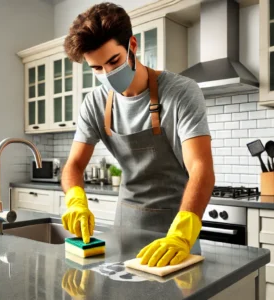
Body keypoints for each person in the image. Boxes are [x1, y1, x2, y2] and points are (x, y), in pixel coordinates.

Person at [61, 2, 215, 267]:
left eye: (114, 61)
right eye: (97, 69)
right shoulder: (95, 103)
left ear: (132, 45)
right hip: (125, 228)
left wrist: (181, 235)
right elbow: (73, 165)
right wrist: (75, 200)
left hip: (175, 230)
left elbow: (201, 167)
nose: (108, 75)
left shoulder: (181, 92)